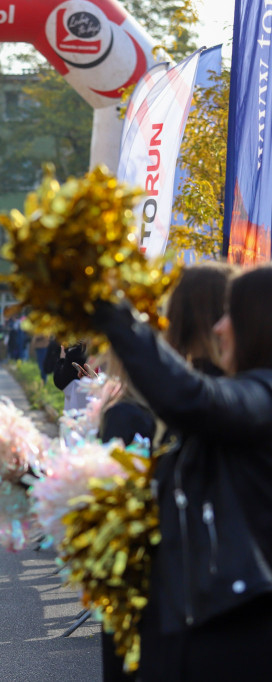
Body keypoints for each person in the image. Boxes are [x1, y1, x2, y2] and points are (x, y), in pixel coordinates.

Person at [91, 264, 272, 679]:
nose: (220, 327)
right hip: (189, 638)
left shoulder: (263, 396)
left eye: (232, 314)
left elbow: (194, 400)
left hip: (237, 646)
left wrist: (111, 311)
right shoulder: (238, 405)